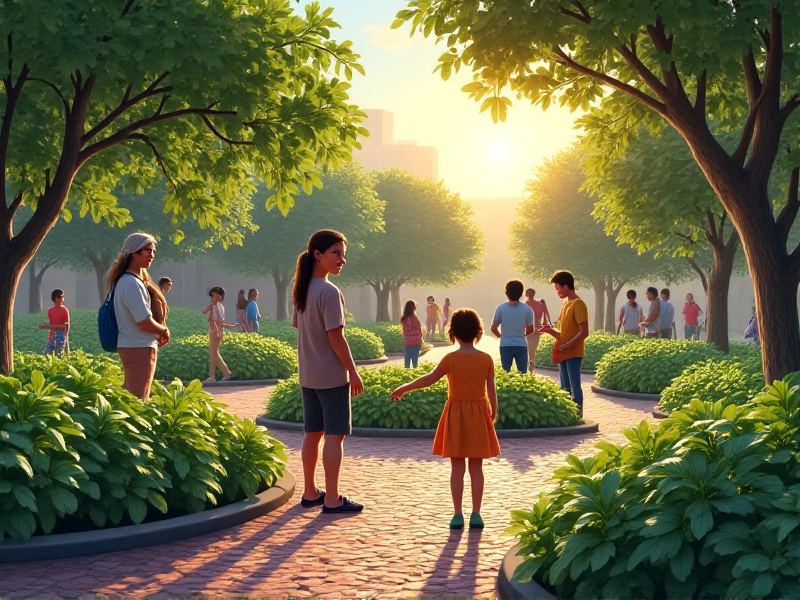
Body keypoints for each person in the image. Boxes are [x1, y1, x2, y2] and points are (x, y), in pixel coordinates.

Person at [390, 308, 500, 529]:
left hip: (456, 414)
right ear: (478, 332)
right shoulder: (486, 359)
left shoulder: (450, 359)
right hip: (478, 414)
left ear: (453, 333)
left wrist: (406, 387)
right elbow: (491, 389)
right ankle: (476, 514)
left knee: (457, 468)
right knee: (476, 468)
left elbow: (430, 378)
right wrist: (494, 410)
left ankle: (457, 514)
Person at [293, 229, 364, 513]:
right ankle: (332, 498)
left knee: (312, 434)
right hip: (331, 377)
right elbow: (336, 337)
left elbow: (299, 327)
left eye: (343, 254)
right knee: (334, 436)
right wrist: (353, 371)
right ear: (317, 254)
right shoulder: (330, 292)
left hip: (308, 375)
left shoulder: (301, 290)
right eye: (336, 253)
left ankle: (310, 491)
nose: (341, 260)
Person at [107, 232, 170, 401]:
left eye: (153, 251)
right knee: (138, 402)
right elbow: (144, 323)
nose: (151, 255)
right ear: (133, 252)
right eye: (147, 250)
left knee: (132, 399)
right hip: (139, 347)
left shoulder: (129, 281)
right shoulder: (131, 283)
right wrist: (164, 331)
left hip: (134, 346)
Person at [539, 270, 589, 417]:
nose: (557, 291)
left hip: (573, 353)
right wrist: (549, 330)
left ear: (566, 286)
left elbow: (584, 332)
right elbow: (562, 334)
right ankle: (567, 415)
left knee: (574, 386)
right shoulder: (565, 305)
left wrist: (569, 344)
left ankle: (578, 415)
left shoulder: (578, 304)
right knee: (564, 387)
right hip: (563, 352)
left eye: (558, 288)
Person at [491, 279, 535, 373]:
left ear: (506, 293)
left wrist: (501, 336)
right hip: (521, 344)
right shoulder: (527, 309)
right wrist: (522, 335)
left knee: (505, 372)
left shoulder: (500, 308)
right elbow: (531, 329)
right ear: (521, 293)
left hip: (505, 344)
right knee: (522, 373)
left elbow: (493, 328)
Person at [202, 286, 235, 383]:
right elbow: (204, 312)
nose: (213, 298)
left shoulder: (219, 307)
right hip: (214, 330)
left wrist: (218, 330)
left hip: (216, 331)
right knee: (213, 354)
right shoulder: (214, 305)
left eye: (215, 296)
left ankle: (226, 371)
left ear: (220, 297)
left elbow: (219, 321)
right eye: (212, 296)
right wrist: (211, 306)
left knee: (214, 353)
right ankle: (212, 376)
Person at [524, 288, 550, 372]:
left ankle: (529, 363)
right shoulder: (540, 304)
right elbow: (545, 316)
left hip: (528, 329)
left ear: (526, 294)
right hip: (537, 329)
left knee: (528, 347)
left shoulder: (525, 305)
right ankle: (532, 363)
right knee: (533, 348)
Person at [40, 289, 69, 357]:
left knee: (59, 356)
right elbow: (52, 324)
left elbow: (65, 327)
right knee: (48, 355)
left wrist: (47, 326)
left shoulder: (64, 310)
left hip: (61, 337)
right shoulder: (50, 311)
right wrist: (46, 326)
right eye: (60, 297)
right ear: (56, 298)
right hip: (52, 337)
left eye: (62, 297)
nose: (62, 299)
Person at [401, 299, 424, 368]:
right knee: (415, 364)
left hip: (407, 343)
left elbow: (404, 332)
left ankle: (407, 374)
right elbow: (420, 331)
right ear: (413, 309)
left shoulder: (404, 319)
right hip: (416, 343)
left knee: (407, 364)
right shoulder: (416, 319)